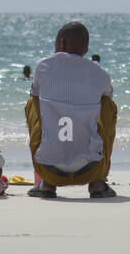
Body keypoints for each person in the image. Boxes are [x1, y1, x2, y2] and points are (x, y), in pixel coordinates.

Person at [25, 21, 117, 199]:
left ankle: (47, 184)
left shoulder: (43, 67)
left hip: (48, 168)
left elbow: (35, 95)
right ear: (85, 48)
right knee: (107, 104)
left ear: (62, 43)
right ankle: (98, 183)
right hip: (91, 168)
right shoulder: (99, 73)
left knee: (33, 102)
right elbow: (108, 97)